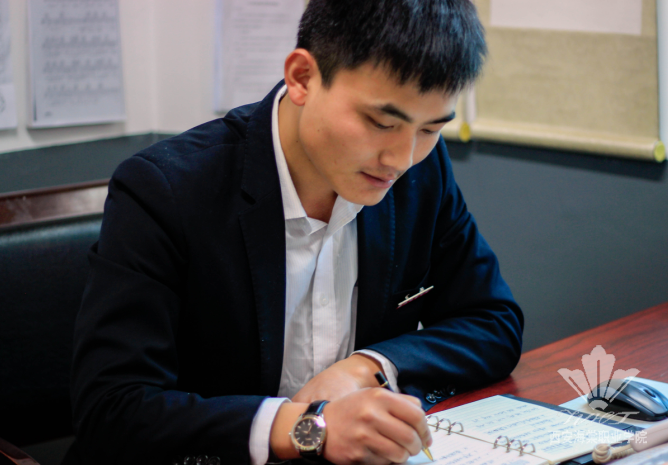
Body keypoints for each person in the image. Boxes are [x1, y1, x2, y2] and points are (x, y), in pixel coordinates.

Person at [69, 1, 524, 464]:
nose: (401, 160)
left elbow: (493, 321)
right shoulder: (166, 189)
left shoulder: (421, 173)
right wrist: (309, 427)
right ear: (302, 77)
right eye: (381, 123)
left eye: (429, 129)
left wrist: (365, 369)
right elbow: (112, 409)